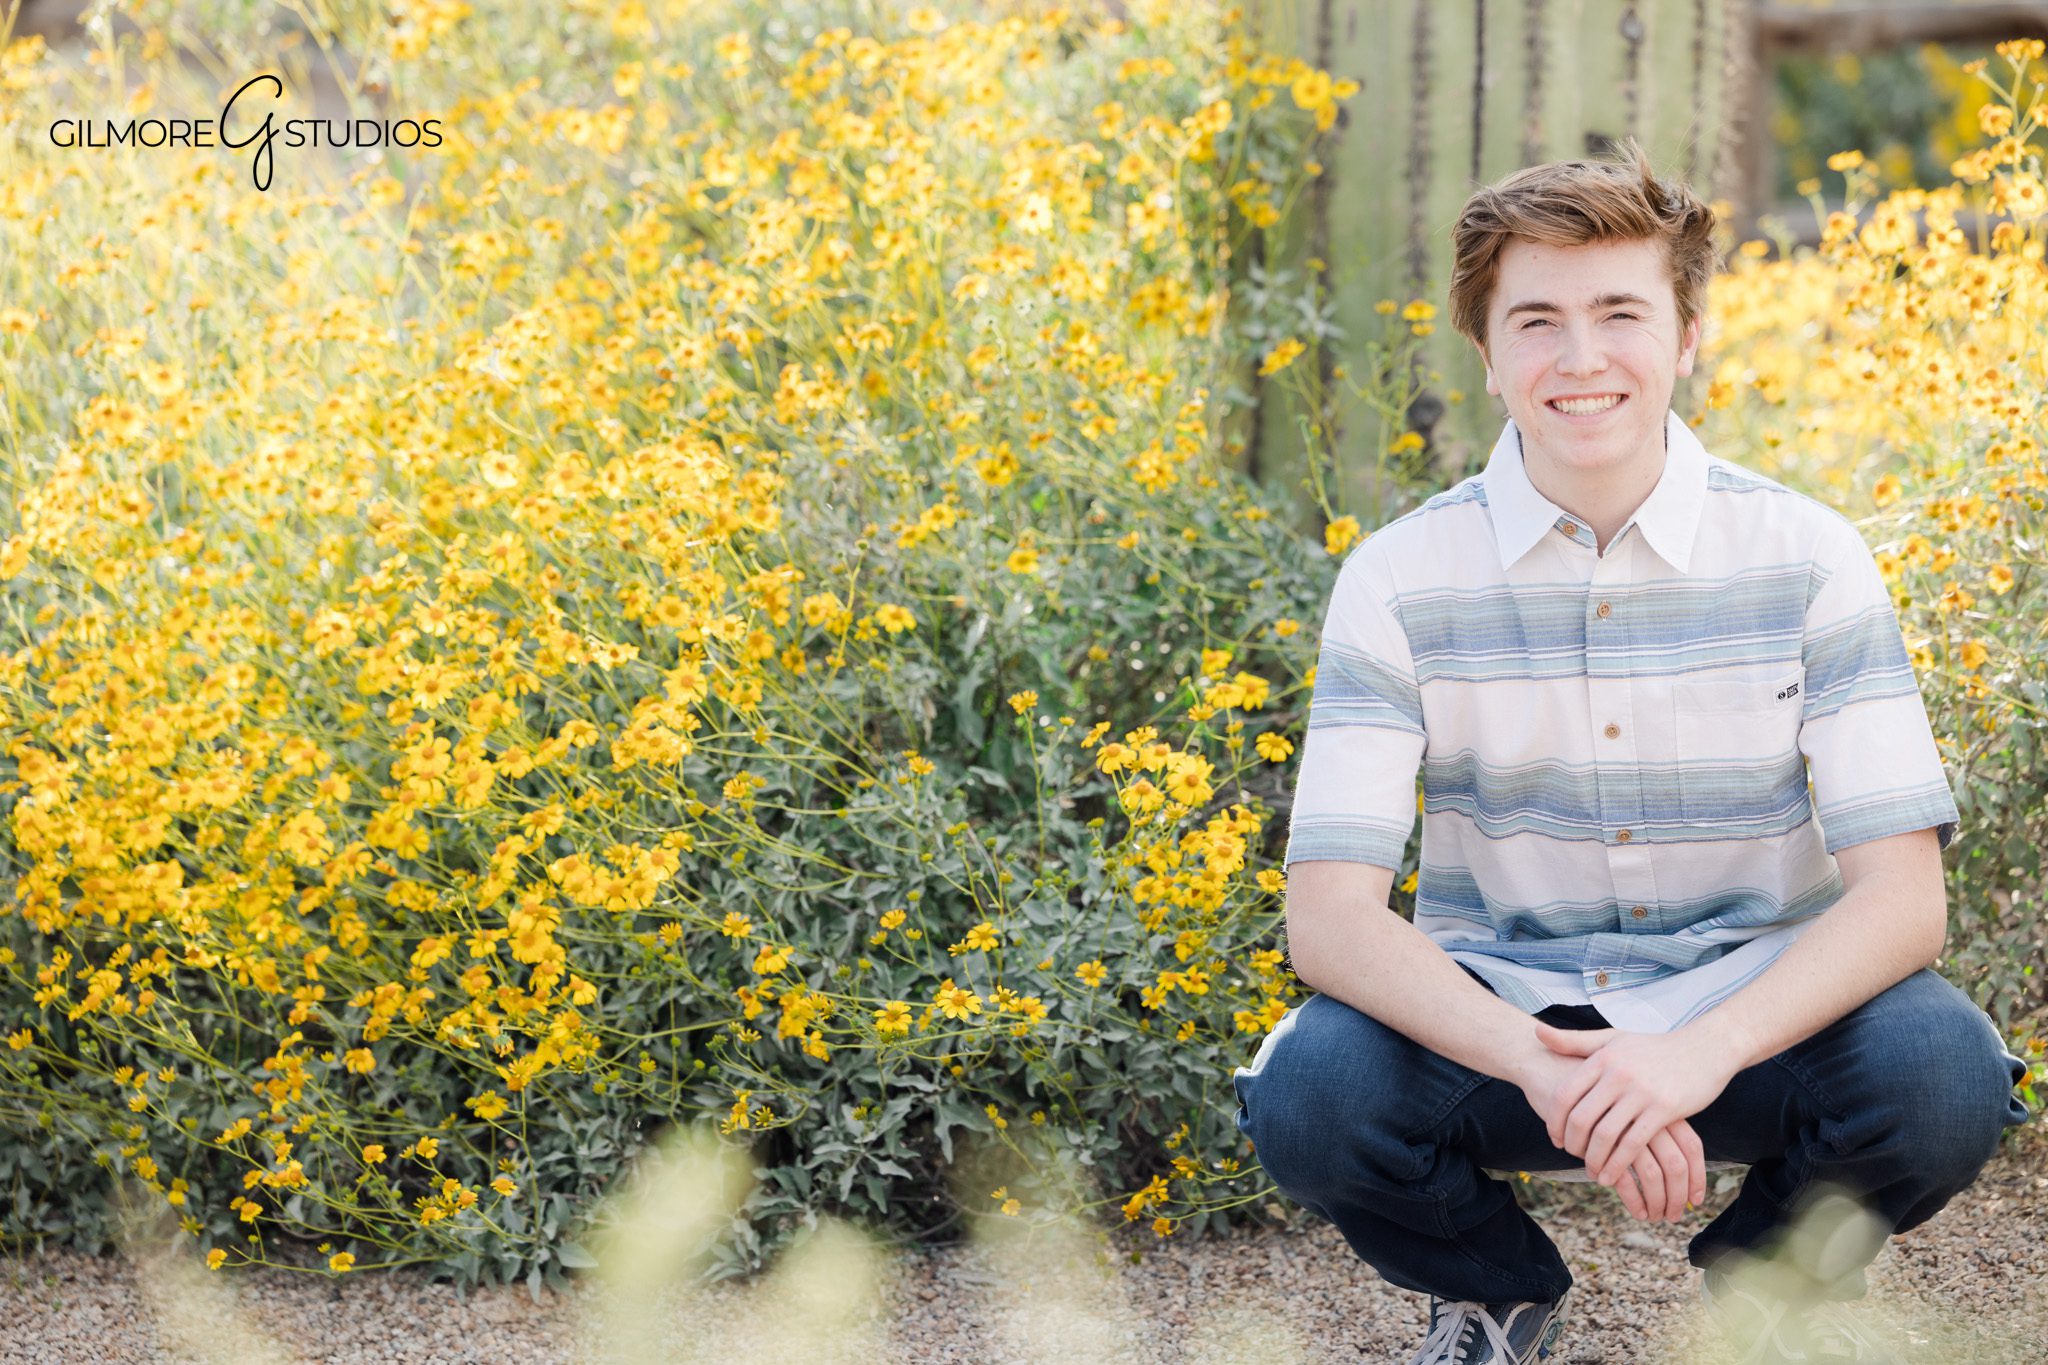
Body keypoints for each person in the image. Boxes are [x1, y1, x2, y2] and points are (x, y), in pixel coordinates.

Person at [1232, 138, 2032, 1365]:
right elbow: (1329, 921)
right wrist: (1545, 1071)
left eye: (1620, 312)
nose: (1581, 357)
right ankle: (1491, 1292)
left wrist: (1697, 1050)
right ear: (1488, 355)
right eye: (1536, 320)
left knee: (1941, 1070)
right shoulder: (1396, 578)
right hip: (1502, 1031)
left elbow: (1902, 902)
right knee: (1308, 1090)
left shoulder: (1808, 558)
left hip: (1751, 1022)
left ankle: (1766, 1295)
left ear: (1686, 334)